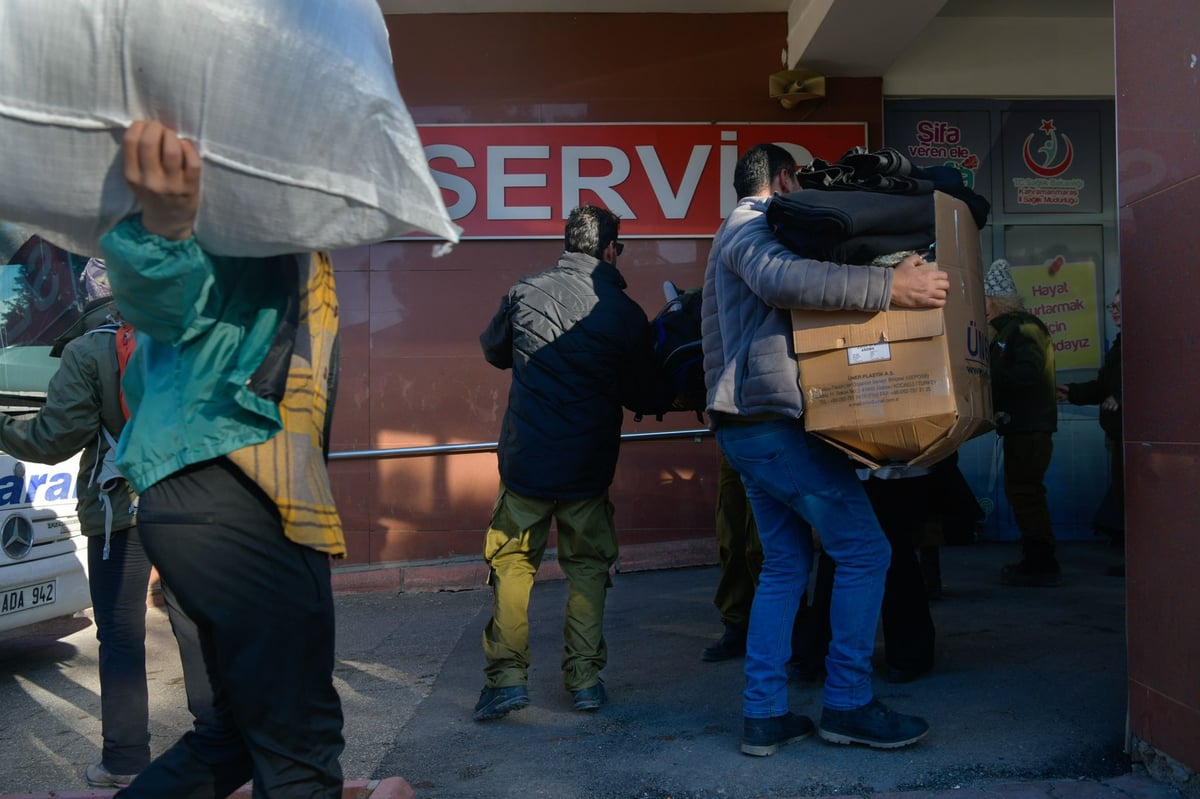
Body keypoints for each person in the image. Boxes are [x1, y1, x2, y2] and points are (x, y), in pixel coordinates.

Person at [98, 120, 346, 797]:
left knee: (237, 736)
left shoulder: (281, 228)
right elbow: (163, 302)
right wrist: (165, 225)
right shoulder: (244, 205)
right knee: (300, 747)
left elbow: (156, 364)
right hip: (241, 496)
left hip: (205, 498)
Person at [703, 143, 944, 756]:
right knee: (865, 551)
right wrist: (890, 287)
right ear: (783, 179)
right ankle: (848, 704)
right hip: (771, 424)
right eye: (801, 184)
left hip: (747, 423)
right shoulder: (750, 223)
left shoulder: (730, 233)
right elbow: (783, 278)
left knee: (785, 566)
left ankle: (765, 716)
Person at [0, 258, 215, 789]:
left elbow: (52, 440)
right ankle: (219, 745)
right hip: (191, 507)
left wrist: (4, 427)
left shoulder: (88, 349)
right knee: (196, 627)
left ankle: (123, 760)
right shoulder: (191, 339)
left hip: (121, 514)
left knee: (121, 637)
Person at [474, 204, 673, 721]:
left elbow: (495, 352)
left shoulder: (525, 292)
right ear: (609, 249)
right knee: (586, 567)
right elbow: (642, 391)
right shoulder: (623, 312)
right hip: (587, 465)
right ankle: (584, 681)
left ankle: (506, 682)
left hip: (526, 461)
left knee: (514, 565)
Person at [984, 258, 1060, 587]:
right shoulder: (1010, 330)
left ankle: (1041, 561)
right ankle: (1037, 555)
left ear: (994, 302)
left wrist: (991, 379)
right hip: (1024, 425)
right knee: (1024, 490)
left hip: (1029, 426)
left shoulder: (1023, 328)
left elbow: (1027, 373)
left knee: (1025, 491)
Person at [1057, 289, 1123, 552]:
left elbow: (1151, 380)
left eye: (1120, 305)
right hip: (1119, 432)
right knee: (1123, 493)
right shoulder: (1121, 344)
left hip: (1131, 434)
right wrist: (1072, 392)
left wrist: (1120, 396)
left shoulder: (1141, 344)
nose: (1115, 310)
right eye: (1112, 305)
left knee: (1129, 495)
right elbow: (1102, 387)